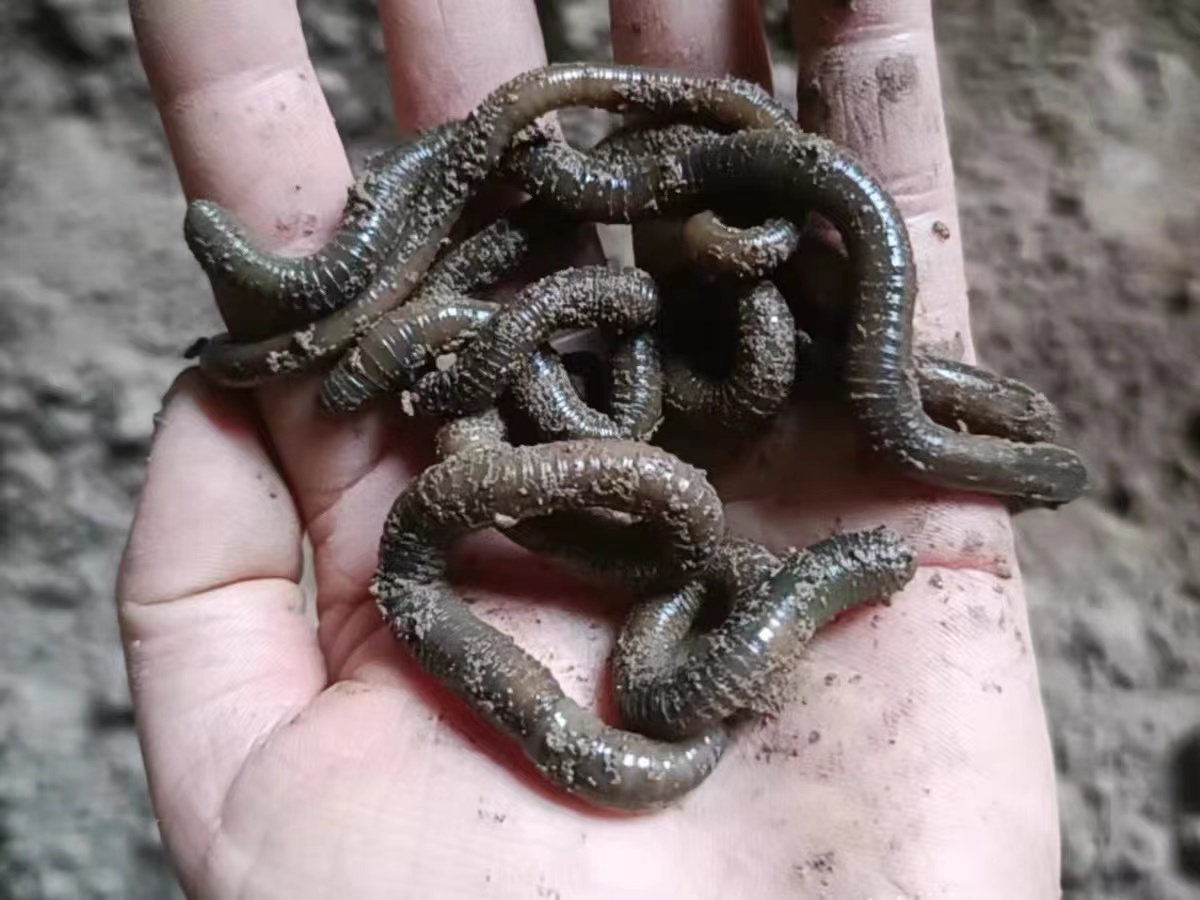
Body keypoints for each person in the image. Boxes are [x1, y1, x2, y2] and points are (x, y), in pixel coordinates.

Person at [116, 1, 1062, 896]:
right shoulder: (505, 469)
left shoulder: (633, 485)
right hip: (554, 414)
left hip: (598, 418)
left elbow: (664, 627)